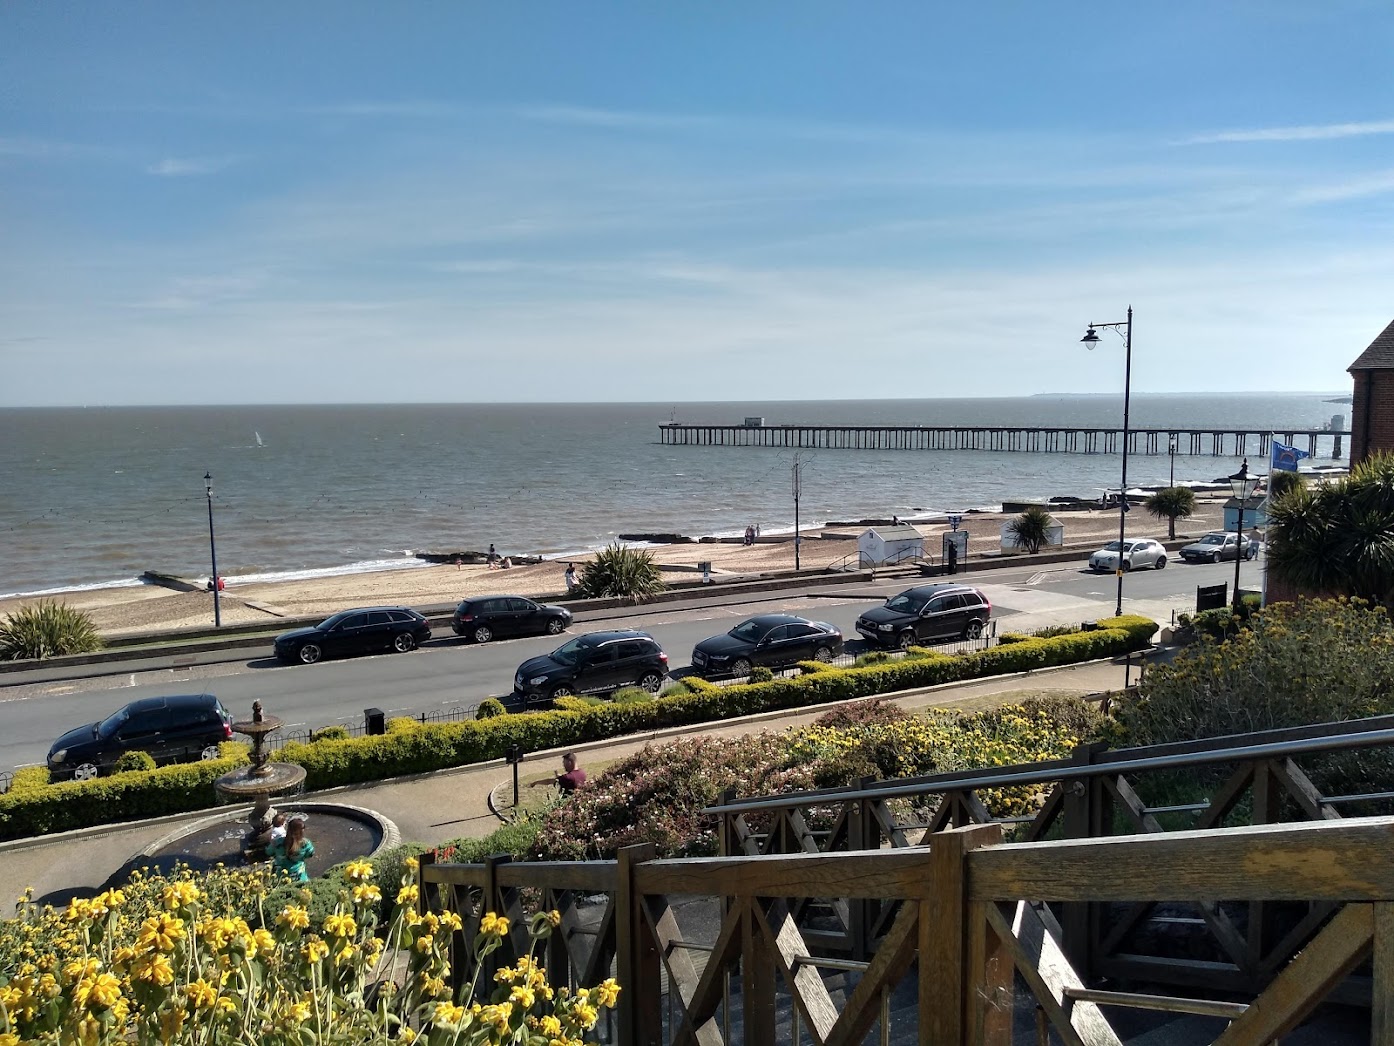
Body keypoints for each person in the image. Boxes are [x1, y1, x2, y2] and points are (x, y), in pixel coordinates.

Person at [268, 816, 314, 882]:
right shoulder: (306, 844)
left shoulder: (277, 842)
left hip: (280, 877)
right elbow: (310, 854)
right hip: (300, 877)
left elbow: (268, 852)